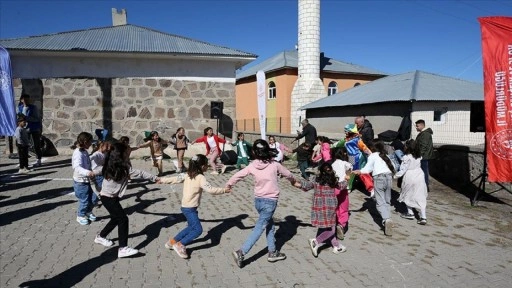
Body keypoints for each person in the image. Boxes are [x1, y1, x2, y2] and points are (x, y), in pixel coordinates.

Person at [227, 139, 297, 268]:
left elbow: (239, 174)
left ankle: (272, 252)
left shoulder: (253, 165)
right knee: (260, 227)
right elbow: (289, 174)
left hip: (258, 202)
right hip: (269, 203)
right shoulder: (275, 164)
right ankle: (241, 252)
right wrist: (294, 181)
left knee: (269, 226)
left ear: (254, 152)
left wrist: (229, 184)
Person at [94, 142, 162, 258]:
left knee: (116, 218)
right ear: (120, 155)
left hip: (108, 197)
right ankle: (123, 248)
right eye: (126, 152)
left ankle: (100, 237)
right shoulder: (122, 167)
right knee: (123, 219)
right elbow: (140, 173)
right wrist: (154, 178)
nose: (128, 154)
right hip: (108, 198)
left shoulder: (110, 163)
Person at [164, 154, 230, 259]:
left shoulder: (187, 174)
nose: (207, 167)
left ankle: (171, 242)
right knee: (198, 230)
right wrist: (224, 190)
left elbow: (174, 178)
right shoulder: (200, 177)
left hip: (186, 207)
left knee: (191, 227)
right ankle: (180, 244)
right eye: (206, 165)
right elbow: (210, 190)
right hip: (190, 209)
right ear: (201, 166)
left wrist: (161, 180)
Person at [294, 162, 347, 256]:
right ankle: (316, 242)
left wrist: (296, 183)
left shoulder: (316, 180)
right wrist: (347, 179)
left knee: (327, 227)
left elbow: (307, 185)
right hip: (329, 208)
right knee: (331, 229)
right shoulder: (332, 181)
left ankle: (336, 246)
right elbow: (342, 186)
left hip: (318, 207)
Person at [353, 140, 396, 236]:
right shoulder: (385, 156)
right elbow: (393, 166)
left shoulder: (373, 156)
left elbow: (368, 169)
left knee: (380, 201)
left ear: (372, 148)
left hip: (379, 178)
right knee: (387, 200)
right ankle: (388, 218)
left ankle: (386, 219)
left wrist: (359, 171)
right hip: (389, 178)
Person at [393, 139, 428, 225]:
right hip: (419, 175)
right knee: (420, 195)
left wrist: (395, 176)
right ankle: (423, 217)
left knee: (407, 194)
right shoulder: (419, 156)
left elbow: (403, 170)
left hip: (410, 176)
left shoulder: (406, 157)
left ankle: (410, 212)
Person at [331, 124, 373, 195]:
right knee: (351, 171)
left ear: (351, 131)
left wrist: (372, 155)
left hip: (359, 157)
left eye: (346, 131)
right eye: (345, 131)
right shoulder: (346, 139)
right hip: (351, 157)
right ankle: (348, 187)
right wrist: (330, 146)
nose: (345, 132)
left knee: (362, 172)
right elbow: (338, 144)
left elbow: (364, 148)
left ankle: (371, 188)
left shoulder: (357, 139)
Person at [71, 132, 98, 225]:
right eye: (90, 142)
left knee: (93, 197)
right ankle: (80, 215)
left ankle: (88, 211)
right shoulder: (78, 153)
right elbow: (77, 167)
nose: (91, 144)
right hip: (80, 181)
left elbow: (87, 161)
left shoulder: (84, 151)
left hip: (88, 180)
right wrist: (88, 172)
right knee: (84, 200)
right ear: (85, 141)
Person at [331, 148, 352, 239]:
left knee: (335, 207)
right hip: (343, 188)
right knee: (343, 207)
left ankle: (334, 223)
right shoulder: (344, 163)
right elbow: (350, 166)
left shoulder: (332, 164)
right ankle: (341, 224)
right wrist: (348, 174)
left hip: (334, 188)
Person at [17, 94, 43, 167]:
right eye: (24, 100)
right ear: (21, 100)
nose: (26, 101)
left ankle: (39, 159)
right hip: (24, 129)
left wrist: (26, 118)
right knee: (24, 145)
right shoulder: (19, 108)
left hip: (34, 128)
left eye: (27, 100)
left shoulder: (33, 108)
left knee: (36, 145)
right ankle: (25, 162)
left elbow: (37, 119)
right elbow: (18, 118)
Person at [415, 120, 434, 191]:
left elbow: (423, 146)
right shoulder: (424, 133)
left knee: (424, 172)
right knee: (423, 171)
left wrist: (419, 155)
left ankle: (425, 186)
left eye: (417, 126)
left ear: (422, 125)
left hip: (423, 156)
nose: (416, 127)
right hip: (423, 156)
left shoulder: (425, 134)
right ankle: (424, 186)